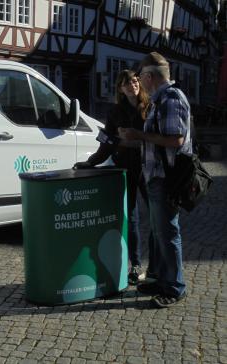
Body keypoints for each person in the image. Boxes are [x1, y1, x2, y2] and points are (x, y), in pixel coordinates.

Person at [118, 52, 190, 308]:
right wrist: (134, 139)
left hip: (166, 177)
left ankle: (174, 287)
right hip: (156, 175)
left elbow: (176, 139)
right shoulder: (161, 100)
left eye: (141, 77)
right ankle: (160, 278)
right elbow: (161, 138)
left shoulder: (171, 99)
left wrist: (139, 134)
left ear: (149, 77)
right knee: (160, 233)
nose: (140, 82)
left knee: (168, 233)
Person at [74, 69, 149, 285]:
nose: (132, 85)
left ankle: (159, 265)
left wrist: (130, 141)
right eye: (126, 83)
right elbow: (107, 142)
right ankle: (136, 265)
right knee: (132, 219)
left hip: (151, 169)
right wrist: (91, 162)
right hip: (127, 168)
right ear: (120, 88)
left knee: (157, 218)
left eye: (135, 81)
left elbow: (159, 139)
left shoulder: (151, 107)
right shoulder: (115, 112)